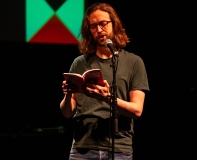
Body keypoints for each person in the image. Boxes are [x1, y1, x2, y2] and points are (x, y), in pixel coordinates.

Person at [60, 2, 149, 160]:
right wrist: (67, 95)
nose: (99, 30)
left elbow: (137, 110)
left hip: (119, 148)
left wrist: (107, 98)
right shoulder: (80, 63)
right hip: (83, 148)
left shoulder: (134, 62)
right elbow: (67, 113)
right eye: (93, 26)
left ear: (114, 24)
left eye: (103, 24)